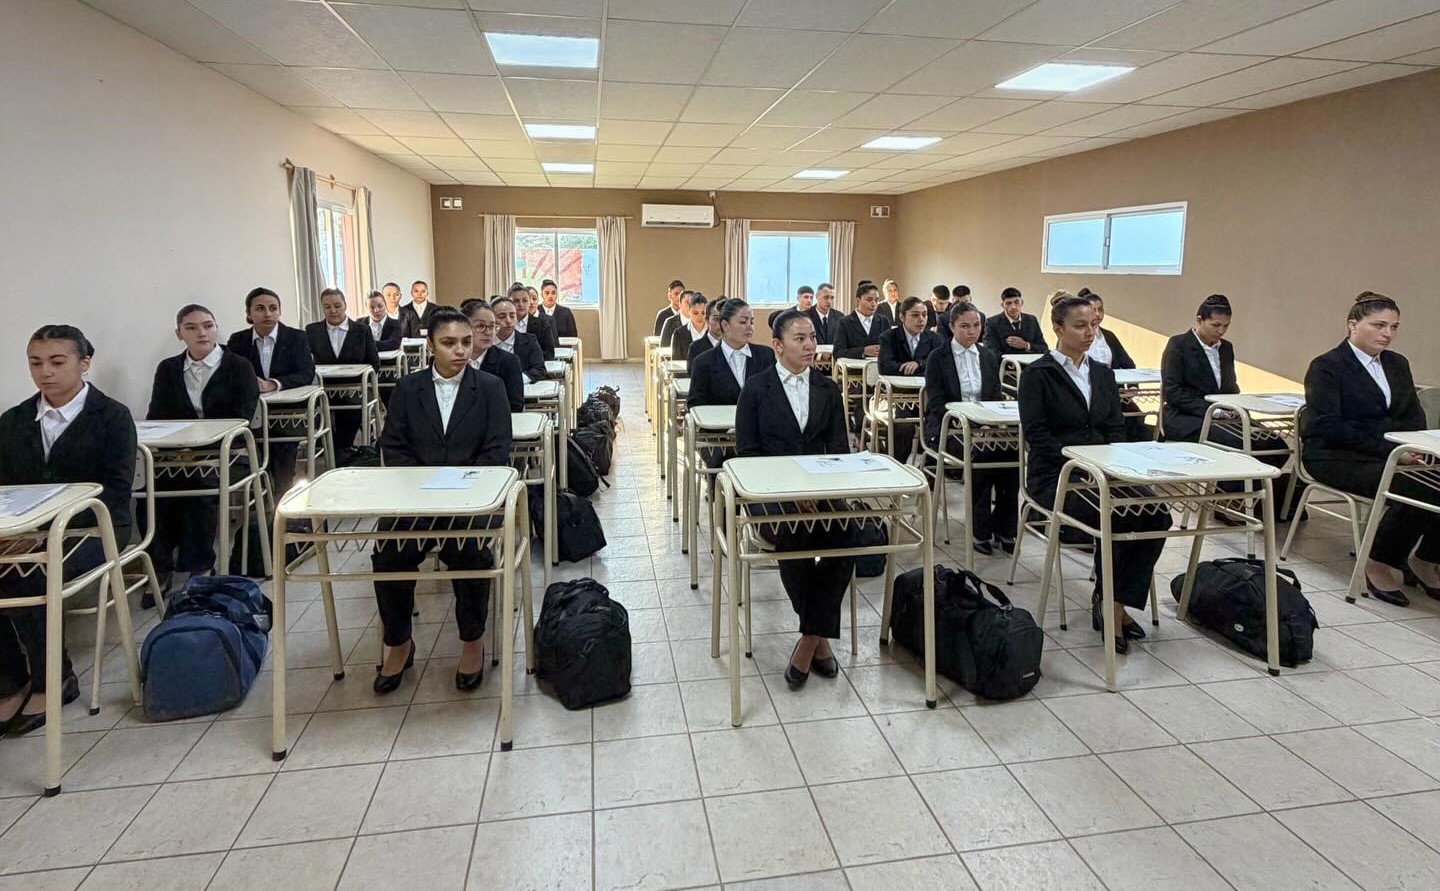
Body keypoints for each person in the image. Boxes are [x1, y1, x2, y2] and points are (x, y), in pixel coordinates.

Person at [0, 325, 136, 737]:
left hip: (94, 529)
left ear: (84, 363)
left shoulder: (112, 416)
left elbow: (114, 492)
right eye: (36, 363)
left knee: (27, 575)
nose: (46, 372)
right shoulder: (14, 420)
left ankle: (53, 679)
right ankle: (9, 679)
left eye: (57, 362)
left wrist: (43, 531)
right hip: (22, 532)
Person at [371, 308, 512, 693]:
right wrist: (424, 486)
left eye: (465, 342)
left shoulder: (490, 387)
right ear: (430, 346)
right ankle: (399, 643)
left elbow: (497, 449)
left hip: (472, 499)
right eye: (449, 343)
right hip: (416, 499)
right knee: (388, 554)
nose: (460, 350)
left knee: (470, 553)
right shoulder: (407, 388)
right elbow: (393, 446)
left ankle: (472, 641)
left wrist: (463, 487)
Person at [1019, 294, 1169, 652]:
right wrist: (1081, 465)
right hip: (1057, 475)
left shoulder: (1102, 373)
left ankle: (1113, 600)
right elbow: (1037, 435)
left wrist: (1112, 466)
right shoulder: (1038, 375)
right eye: (1080, 325)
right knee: (1116, 517)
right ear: (1058, 328)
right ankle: (1111, 605)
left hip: (1103, 471)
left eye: (1094, 325)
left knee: (1157, 514)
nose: (1089, 332)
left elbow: (1115, 427)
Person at [736, 310, 856, 689]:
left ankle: (809, 638)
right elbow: (747, 455)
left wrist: (816, 491)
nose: (809, 345)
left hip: (819, 489)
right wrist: (790, 491)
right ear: (778, 345)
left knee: (849, 533)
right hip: (771, 491)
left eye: (812, 338)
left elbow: (838, 451)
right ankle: (818, 641)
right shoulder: (756, 389)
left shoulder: (827, 387)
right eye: (800, 339)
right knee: (794, 535)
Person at [1302, 292, 1438, 607]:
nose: (1387, 334)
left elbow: (1412, 415)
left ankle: (1427, 559)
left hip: (1391, 452)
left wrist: (1410, 447)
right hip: (1335, 455)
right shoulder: (1327, 367)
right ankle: (1379, 561)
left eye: (1394, 327)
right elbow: (1328, 426)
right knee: (1417, 487)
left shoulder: (1397, 363)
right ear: (1353, 325)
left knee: (1433, 481)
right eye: (1379, 325)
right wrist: (1392, 450)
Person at [147, 305, 260, 591]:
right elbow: (157, 416)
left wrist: (204, 442)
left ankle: (199, 565)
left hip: (229, 454)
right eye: (192, 327)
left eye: (208, 326)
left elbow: (243, 419)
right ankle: (160, 565)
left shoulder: (239, 366)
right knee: (149, 487)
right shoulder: (168, 369)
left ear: (216, 328)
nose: (202, 333)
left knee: (201, 484)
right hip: (178, 455)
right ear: (179, 334)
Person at [924, 302, 1015, 554]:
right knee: (982, 456)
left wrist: (990, 421)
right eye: (965, 326)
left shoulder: (988, 356)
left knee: (1011, 455)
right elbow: (937, 403)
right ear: (952, 327)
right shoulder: (938, 357)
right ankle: (980, 530)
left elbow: (995, 396)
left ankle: (1006, 527)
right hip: (950, 427)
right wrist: (969, 422)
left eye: (976, 325)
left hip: (986, 426)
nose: (972, 331)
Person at [225, 287, 315, 497]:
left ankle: (283, 495)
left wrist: (273, 384)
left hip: (289, 413)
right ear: (249, 314)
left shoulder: (296, 337)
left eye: (273, 308)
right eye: (260, 308)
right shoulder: (237, 341)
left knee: (282, 444)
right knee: (251, 445)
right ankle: (258, 493)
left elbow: (306, 373)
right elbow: (229, 374)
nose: (267, 313)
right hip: (251, 412)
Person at [305, 288, 380, 451]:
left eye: (337, 306)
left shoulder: (362, 330)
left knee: (350, 410)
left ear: (345, 305)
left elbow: (374, 363)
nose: (333, 310)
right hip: (323, 388)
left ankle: (341, 450)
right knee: (313, 410)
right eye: (327, 307)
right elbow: (305, 363)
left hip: (355, 389)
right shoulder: (312, 331)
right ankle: (332, 446)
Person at [688, 298, 775, 408]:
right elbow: (695, 405)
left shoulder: (765, 355)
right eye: (743, 322)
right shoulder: (703, 362)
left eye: (751, 322)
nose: (750, 327)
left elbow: (775, 396)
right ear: (725, 325)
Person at [462, 299, 524, 412]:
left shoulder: (508, 362)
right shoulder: (455, 359)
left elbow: (515, 406)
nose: (488, 332)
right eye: (480, 326)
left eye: (492, 327)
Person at [879, 296, 943, 376]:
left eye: (924, 314)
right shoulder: (888, 337)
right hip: (897, 382)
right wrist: (914, 369)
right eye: (915, 315)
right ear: (902, 317)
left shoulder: (935, 338)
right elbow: (885, 367)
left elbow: (940, 364)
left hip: (925, 383)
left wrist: (919, 364)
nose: (921, 319)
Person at [491, 296, 546, 383]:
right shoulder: (486, 344)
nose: (508, 321)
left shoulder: (530, 341)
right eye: (502, 317)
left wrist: (517, 379)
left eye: (512, 316)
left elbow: (539, 370)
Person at [1077, 288, 1135, 370]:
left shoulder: (1109, 336)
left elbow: (1129, 365)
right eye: (1093, 310)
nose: (1097, 314)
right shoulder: (1074, 335)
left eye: (1100, 309)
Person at [832, 282, 891, 360]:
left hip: (879, 367)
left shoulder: (884, 321)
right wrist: (863, 351)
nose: (874, 304)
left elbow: (892, 349)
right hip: (853, 367)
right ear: (858, 300)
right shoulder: (844, 322)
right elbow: (837, 353)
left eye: (876, 300)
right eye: (869, 300)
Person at [984, 287, 1047, 356]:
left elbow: (1044, 348)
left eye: (1017, 302)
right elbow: (990, 351)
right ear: (1003, 305)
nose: (1013, 307)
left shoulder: (1032, 320)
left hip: (1031, 362)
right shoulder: (992, 323)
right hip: (1005, 362)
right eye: (1008, 303)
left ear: (1022, 303)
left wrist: (1026, 345)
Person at [512, 282, 557, 359]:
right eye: (516, 301)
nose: (521, 304)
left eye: (525, 300)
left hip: (533, 364)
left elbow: (549, 353)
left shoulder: (543, 324)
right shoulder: (504, 324)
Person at [668, 293, 710, 362]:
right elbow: (676, 363)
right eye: (695, 313)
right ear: (689, 311)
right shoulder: (679, 334)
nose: (700, 316)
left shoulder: (713, 333)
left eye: (703, 313)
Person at [688, 297, 725, 373]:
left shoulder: (737, 346)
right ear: (707, 320)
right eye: (716, 319)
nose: (721, 324)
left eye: (725, 319)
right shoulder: (695, 348)